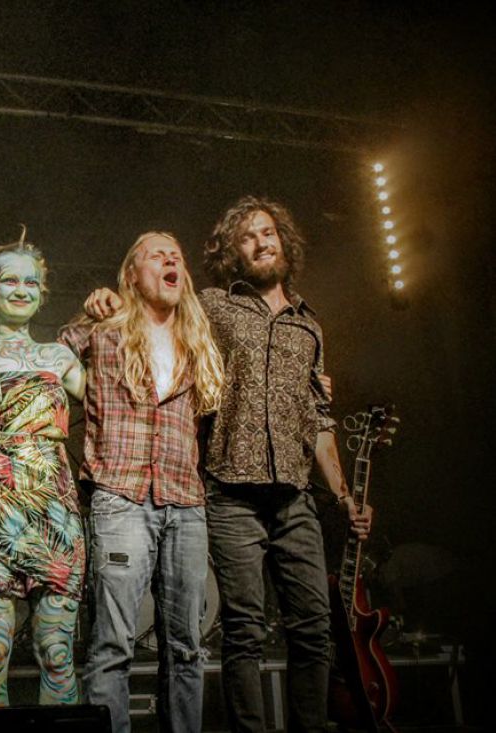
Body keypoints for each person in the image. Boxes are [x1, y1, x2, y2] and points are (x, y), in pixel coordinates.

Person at [86, 198, 372, 732]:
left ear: (284, 241)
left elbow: (319, 416)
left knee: (314, 627)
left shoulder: (309, 325)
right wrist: (108, 298)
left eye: (269, 233)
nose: (262, 243)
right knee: (244, 628)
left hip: (294, 494)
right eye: (248, 236)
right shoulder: (213, 306)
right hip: (229, 491)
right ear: (232, 252)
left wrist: (342, 494)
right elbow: (154, 309)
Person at [63, 232, 225, 733]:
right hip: (121, 498)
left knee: (186, 647)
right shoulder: (104, 329)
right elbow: (49, 359)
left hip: (185, 502)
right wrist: (89, 309)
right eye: (157, 255)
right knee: (112, 644)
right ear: (131, 276)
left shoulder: (198, 341)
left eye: (177, 255)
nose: (171, 259)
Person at [0, 238, 86, 707]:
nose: (21, 289)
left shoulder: (60, 358)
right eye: (9, 280)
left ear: (42, 293)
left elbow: (120, 403)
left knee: (57, 652)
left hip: (54, 518)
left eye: (31, 282)